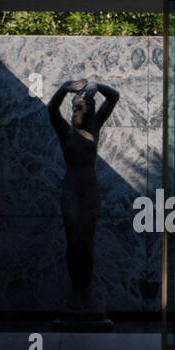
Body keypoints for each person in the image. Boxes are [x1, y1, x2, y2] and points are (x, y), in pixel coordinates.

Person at [47, 76, 119, 310]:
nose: (83, 112)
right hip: (71, 189)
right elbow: (51, 108)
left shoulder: (94, 127)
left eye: (87, 108)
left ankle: (85, 292)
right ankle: (75, 292)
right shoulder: (65, 131)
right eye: (80, 107)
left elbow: (114, 96)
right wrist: (64, 88)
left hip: (89, 190)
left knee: (86, 242)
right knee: (73, 241)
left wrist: (96, 85)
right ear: (74, 110)